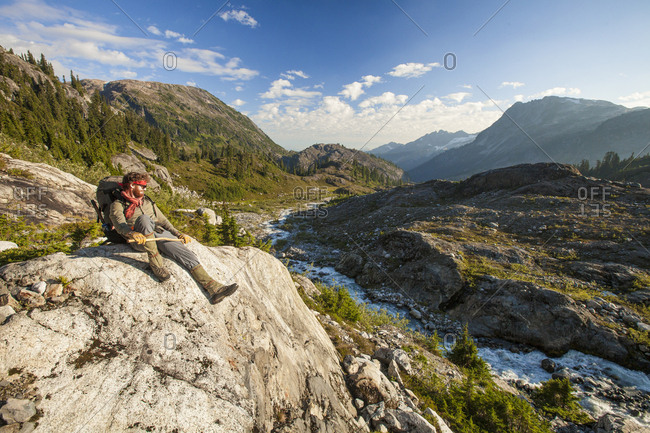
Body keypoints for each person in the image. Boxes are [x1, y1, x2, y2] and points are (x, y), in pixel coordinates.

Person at [109, 171, 238, 304]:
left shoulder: (146, 201)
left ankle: (214, 288)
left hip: (157, 234)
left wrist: (178, 234)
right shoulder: (118, 204)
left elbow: (163, 221)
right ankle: (157, 265)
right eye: (142, 186)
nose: (145, 189)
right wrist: (132, 234)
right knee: (144, 219)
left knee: (186, 254)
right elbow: (119, 225)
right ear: (131, 185)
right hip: (140, 240)